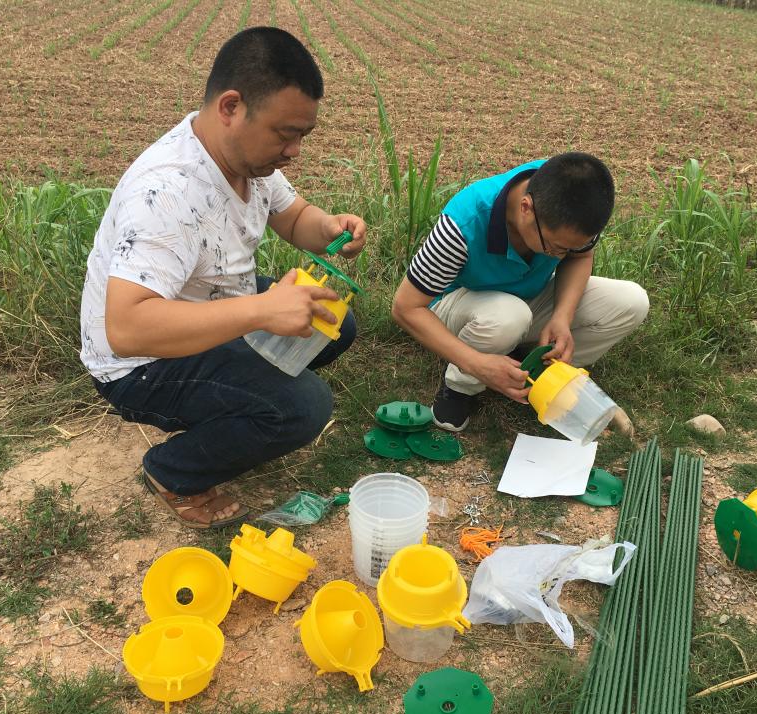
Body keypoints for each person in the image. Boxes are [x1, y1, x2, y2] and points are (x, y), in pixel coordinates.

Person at [79, 28, 366, 529]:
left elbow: (294, 218)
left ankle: (243, 395)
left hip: (210, 303)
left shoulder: (248, 158)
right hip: (141, 363)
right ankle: (172, 471)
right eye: (286, 133)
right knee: (303, 407)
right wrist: (261, 310)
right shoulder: (167, 193)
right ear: (232, 106)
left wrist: (328, 228)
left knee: (335, 323)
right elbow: (126, 329)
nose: (294, 150)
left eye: (303, 135)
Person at [391, 154, 648, 432]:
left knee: (632, 302)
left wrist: (561, 317)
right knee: (508, 316)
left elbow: (580, 258)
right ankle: (460, 386)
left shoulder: (568, 198)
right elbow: (405, 308)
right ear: (526, 208)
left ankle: (541, 368)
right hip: (458, 308)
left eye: (571, 246)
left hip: (523, 300)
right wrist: (475, 363)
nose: (561, 254)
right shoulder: (462, 224)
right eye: (555, 246)